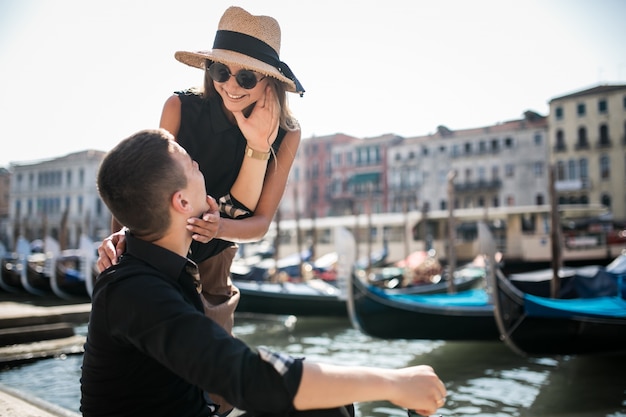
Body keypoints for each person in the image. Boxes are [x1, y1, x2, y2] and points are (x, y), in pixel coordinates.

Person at [81, 128, 447, 417]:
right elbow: (247, 377)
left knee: (326, 402)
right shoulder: (136, 290)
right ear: (181, 202)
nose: (199, 167)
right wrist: (394, 383)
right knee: (316, 398)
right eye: (192, 164)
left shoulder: (146, 262)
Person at [96, 5, 305, 335]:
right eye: (220, 71)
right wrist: (118, 236)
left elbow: (261, 223)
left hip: (214, 268)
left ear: (270, 81)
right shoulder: (179, 107)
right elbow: (140, 184)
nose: (231, 86)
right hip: (152, 252)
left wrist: (217, 228)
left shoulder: (287, 134)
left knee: (214, 377)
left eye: (247, 76)